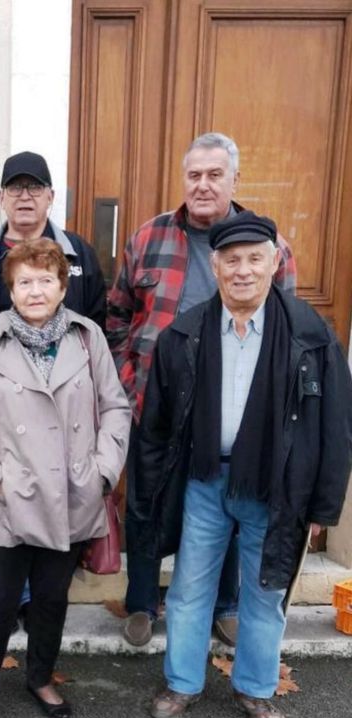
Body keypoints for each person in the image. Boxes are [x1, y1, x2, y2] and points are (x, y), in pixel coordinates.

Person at [134, 211, 351, 718]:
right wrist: (150, 492)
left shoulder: (310, 335)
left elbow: (335, 427)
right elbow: (156, 425)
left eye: (256, 258)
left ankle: (255, 689)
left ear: (274, 263)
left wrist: (322, 507)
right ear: (216, 266)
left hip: (277, 489)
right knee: (188, 589)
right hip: (204, 481)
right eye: (232, 260)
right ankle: (182, 682)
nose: (243, 271)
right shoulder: (182, 334)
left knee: (266, 592)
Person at [107, 132, 298, 647]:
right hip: (156, 402)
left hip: (234, 408)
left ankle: (227, 604)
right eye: (194, 175)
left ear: (235, 179)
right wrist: (130, 383)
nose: (203, 185)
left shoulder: (267, 246)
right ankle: (143, 601)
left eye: (215, 175)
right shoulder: (148, 238)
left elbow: (288, 329)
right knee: (146, 501)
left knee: (235, 499)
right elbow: (119, 314)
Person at [0, 238, 131, 718]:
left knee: (51, 598)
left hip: (75, 491)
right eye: (24, 281)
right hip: (9, 496)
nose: (34, 290)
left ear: (62, 285)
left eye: (44, 280)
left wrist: (102, 472)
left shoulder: (87, 336)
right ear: (11, 287)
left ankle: (39, 677)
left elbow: (115, 407)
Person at [0, 150, 106, 330]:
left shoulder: (79, 253)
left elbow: (96, 324)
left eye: (35, 187)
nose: (25, 196)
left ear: (50, 197)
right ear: (1, 198)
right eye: (15, 188)